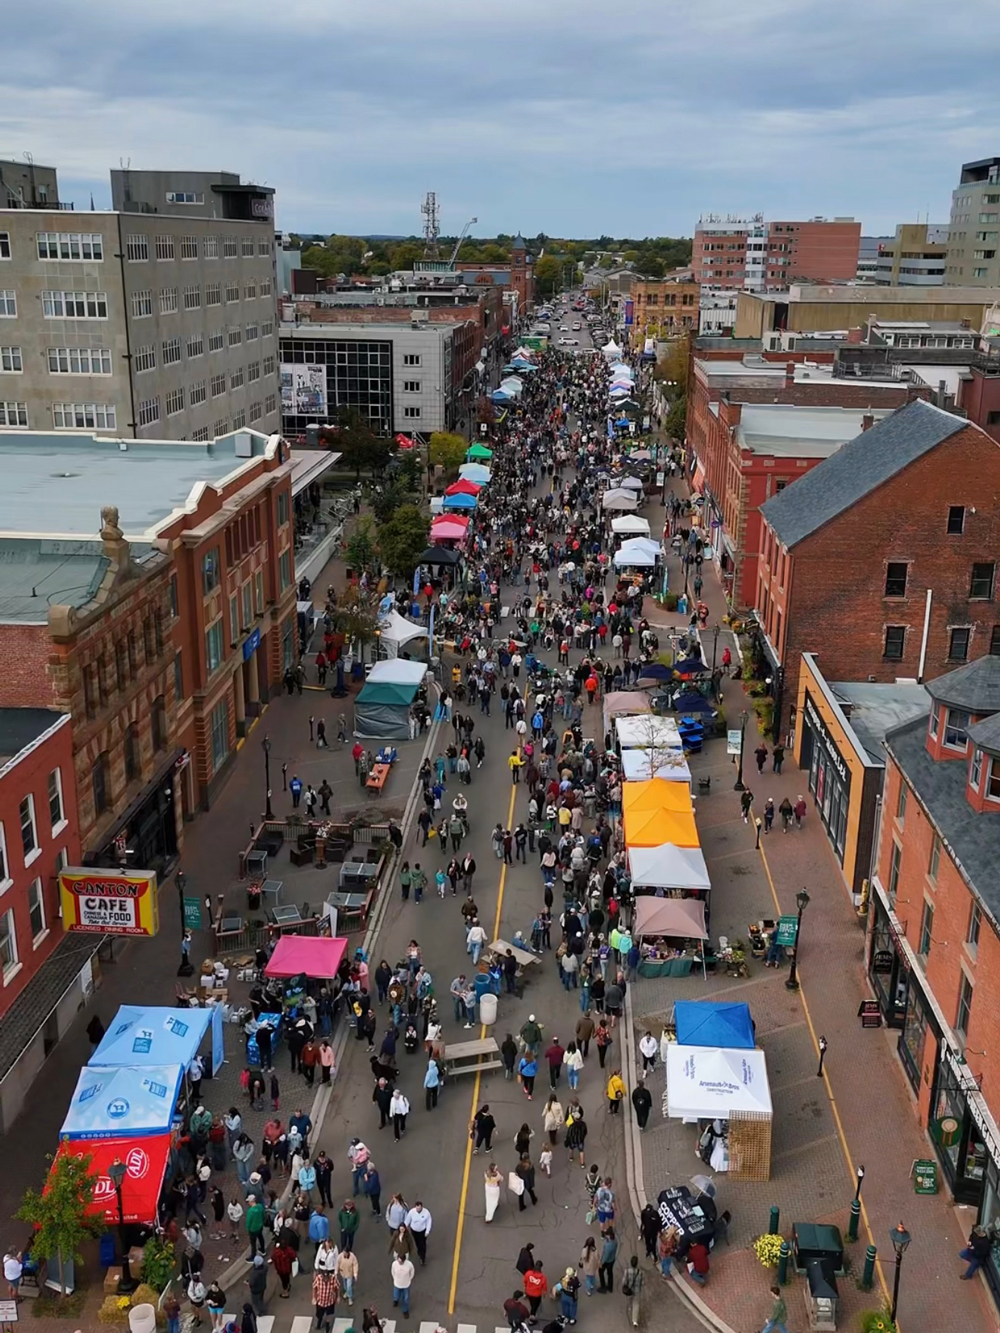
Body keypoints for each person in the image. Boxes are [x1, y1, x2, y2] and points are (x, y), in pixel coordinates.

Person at [622, 1254, 644, 1328]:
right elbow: (643, 1283)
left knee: (629, 1299)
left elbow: (624, 1281)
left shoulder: (627, 1271)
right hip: (637, 1290)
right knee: (636, 1304)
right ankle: (634, 1320)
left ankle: (629, 1307)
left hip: (629, 1289)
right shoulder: (640, 1272)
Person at [391, 1252, 415, 1318]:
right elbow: (393, 1272)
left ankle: (405, 1310)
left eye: (401, 1262)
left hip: (406, 1285)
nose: (399, 1263)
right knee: (396, 1294)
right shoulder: (394, 1264)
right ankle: (396, 1300)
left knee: (406, 1299)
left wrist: (409, 1279)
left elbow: (412, 1272)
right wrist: (395, 1279)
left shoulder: (409, 1265)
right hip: (397, 1284)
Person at [598, 1227, 618, 1293]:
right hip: (612, 1260)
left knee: (601, 1272)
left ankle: (603, 1287)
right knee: (610, 1273)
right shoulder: (615, 1241)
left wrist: (601, 1263)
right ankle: (610, 1287)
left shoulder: (608, 1245)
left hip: (607, 1261)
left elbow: (605, 1256)